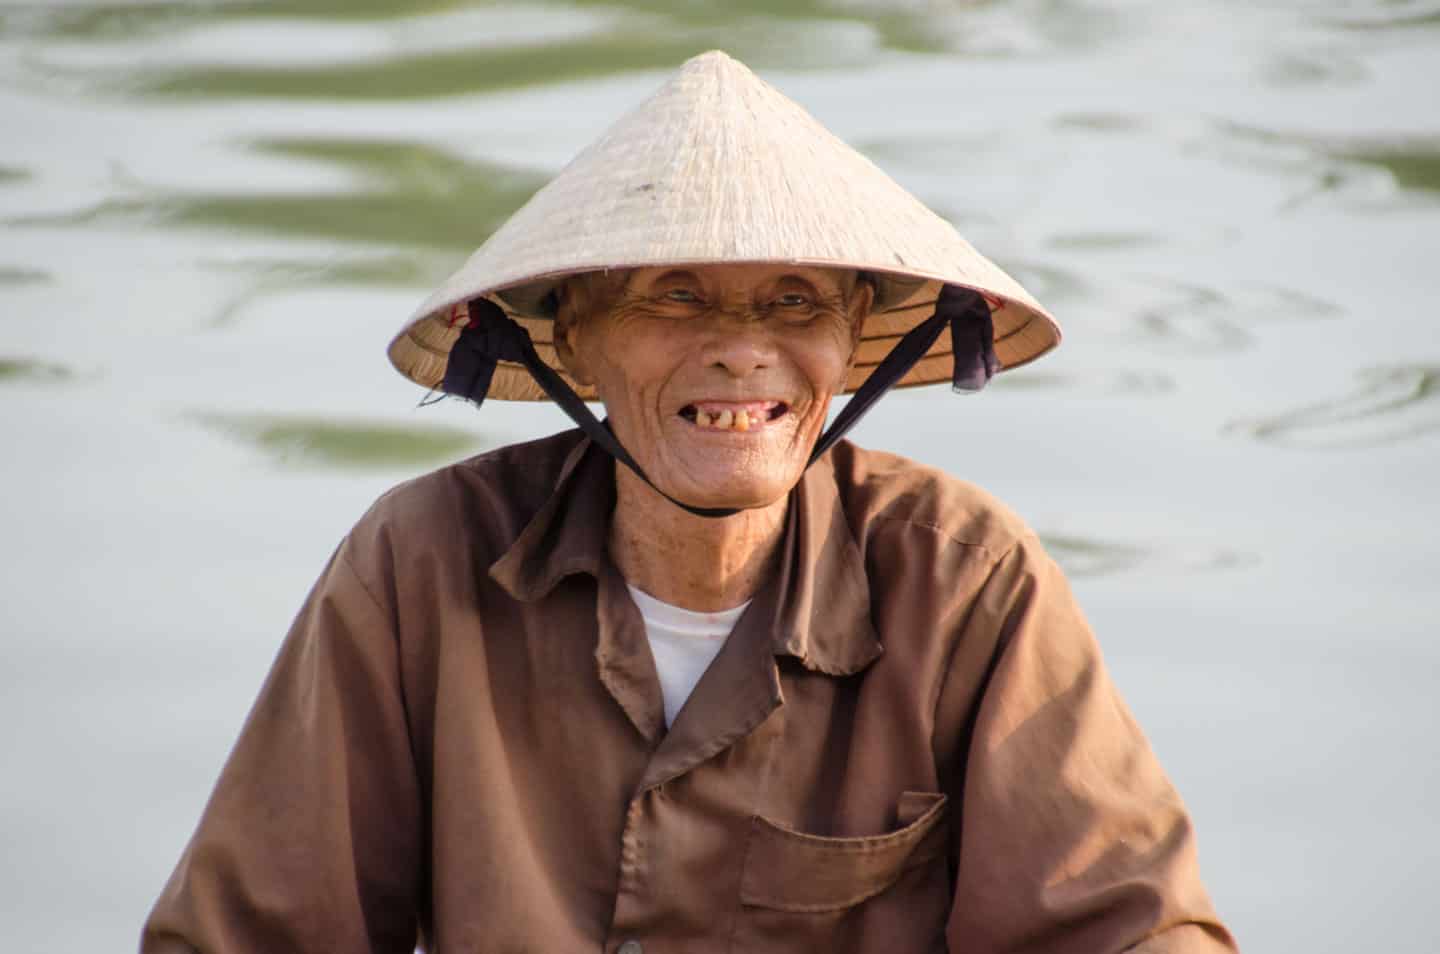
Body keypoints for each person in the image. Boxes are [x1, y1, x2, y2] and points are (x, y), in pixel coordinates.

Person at [141, 51, 1235, 953]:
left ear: (850, 343)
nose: (743, 352)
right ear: (575, 337)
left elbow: (1129, 931)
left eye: (794, 302)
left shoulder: (962, 578)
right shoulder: (420, 563)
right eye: (678, 296)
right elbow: (253, 934)